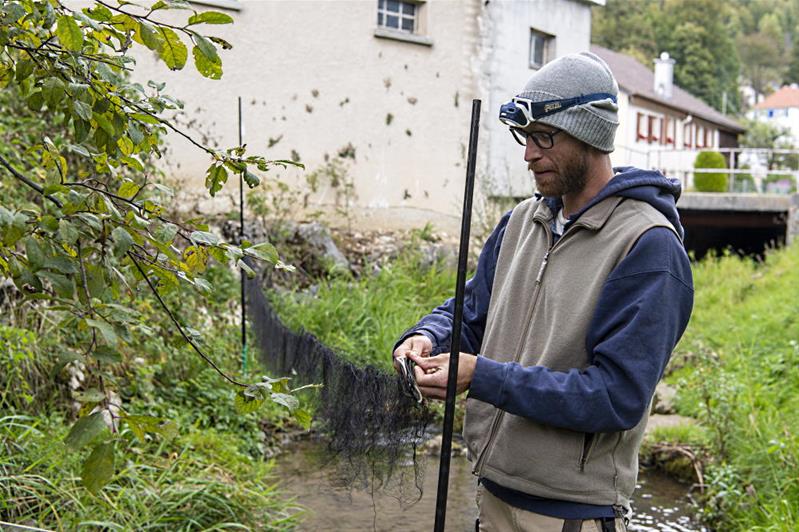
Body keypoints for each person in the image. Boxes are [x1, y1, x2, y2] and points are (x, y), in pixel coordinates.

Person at [392, 52, 694, 532]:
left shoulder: (647, 247)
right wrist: (429, 338)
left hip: (570, 515)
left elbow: (616, 397)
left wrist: (482, 377)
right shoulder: (519, 222)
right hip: (492, 496)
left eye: (543, 138)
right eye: (526, 138)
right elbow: (472, 315)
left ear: (590, 134)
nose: (529, 153)